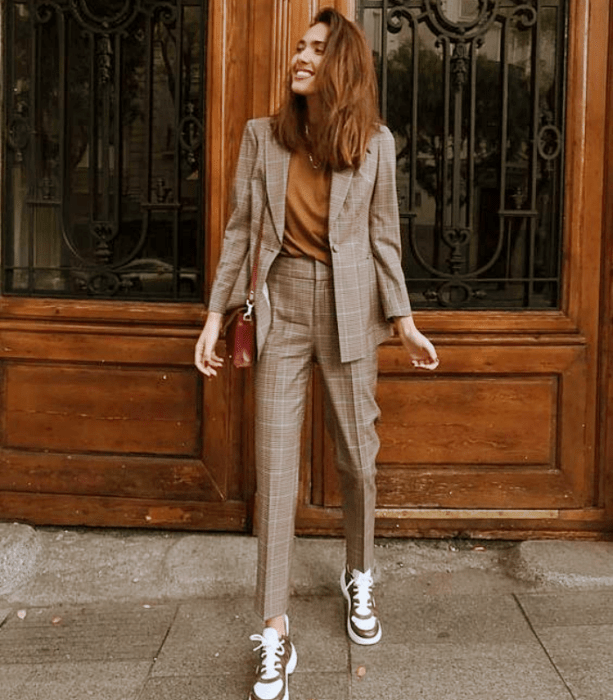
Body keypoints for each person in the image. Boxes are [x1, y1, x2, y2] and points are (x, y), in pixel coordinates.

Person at [195, 8, 438, 700]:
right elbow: (241, 234)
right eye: (297, 48)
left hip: (351, 309)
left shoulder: (376, 145)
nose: (299, 57)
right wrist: (213, 318)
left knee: (358, 459)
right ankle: (274, 630)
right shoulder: (261, 138)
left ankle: (357, 574)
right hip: (280, 312)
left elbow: (384, 241)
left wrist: (405, 322)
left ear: (344, 66)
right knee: (274, 474)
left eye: (315, 50)